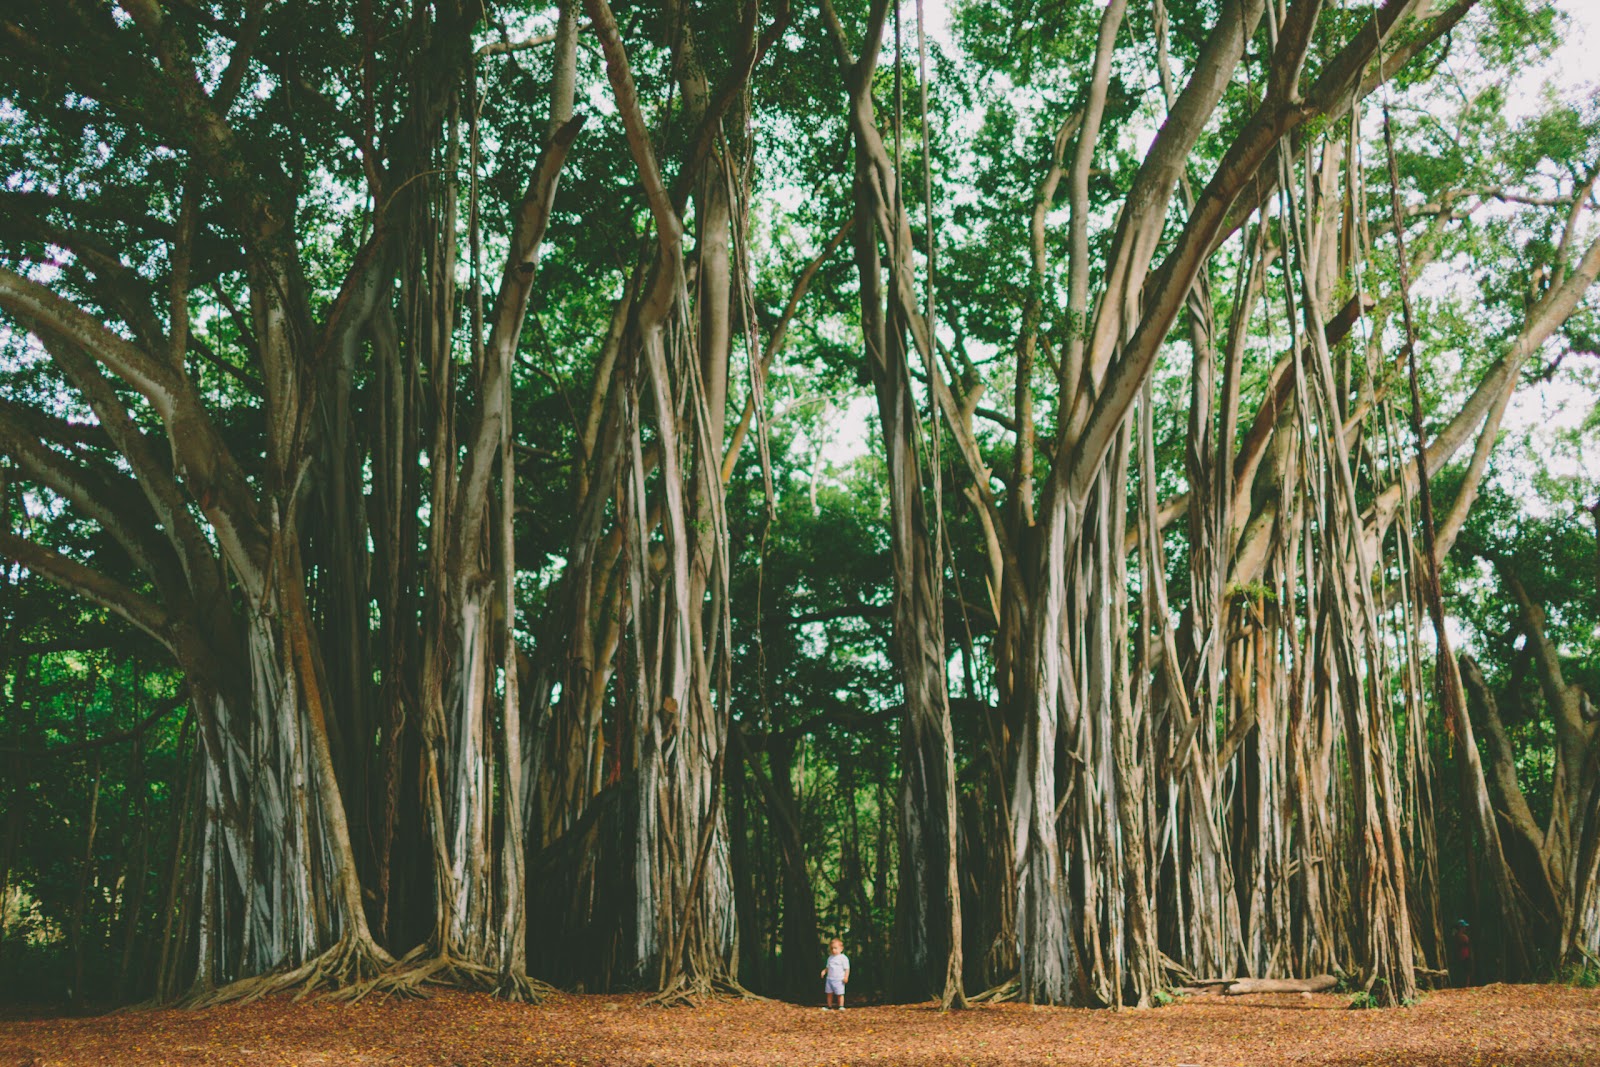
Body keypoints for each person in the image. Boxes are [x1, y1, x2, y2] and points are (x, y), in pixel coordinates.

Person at [820, 937, 850, 1010]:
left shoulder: (843, 958)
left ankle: (841, 1006)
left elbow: (847, 969)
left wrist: (846, 977)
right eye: (832, 948)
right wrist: (824, 971)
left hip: (839, 979)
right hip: (830, 979)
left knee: (840, 993)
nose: (833, 950)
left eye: (835, 948)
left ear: (841, 949)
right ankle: (829, 1006)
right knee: (829, 993)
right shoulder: (830, 958)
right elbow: (828, 967)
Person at [1450, 919, 1473, 986]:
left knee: (1464, 971)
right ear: (1461, 928)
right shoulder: (1463, 937)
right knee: (1466, 972)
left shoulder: (1456, 936)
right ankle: (1465, 986)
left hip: (1462, 956)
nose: (1465, 928)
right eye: (1464, 927)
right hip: (1464, 956)